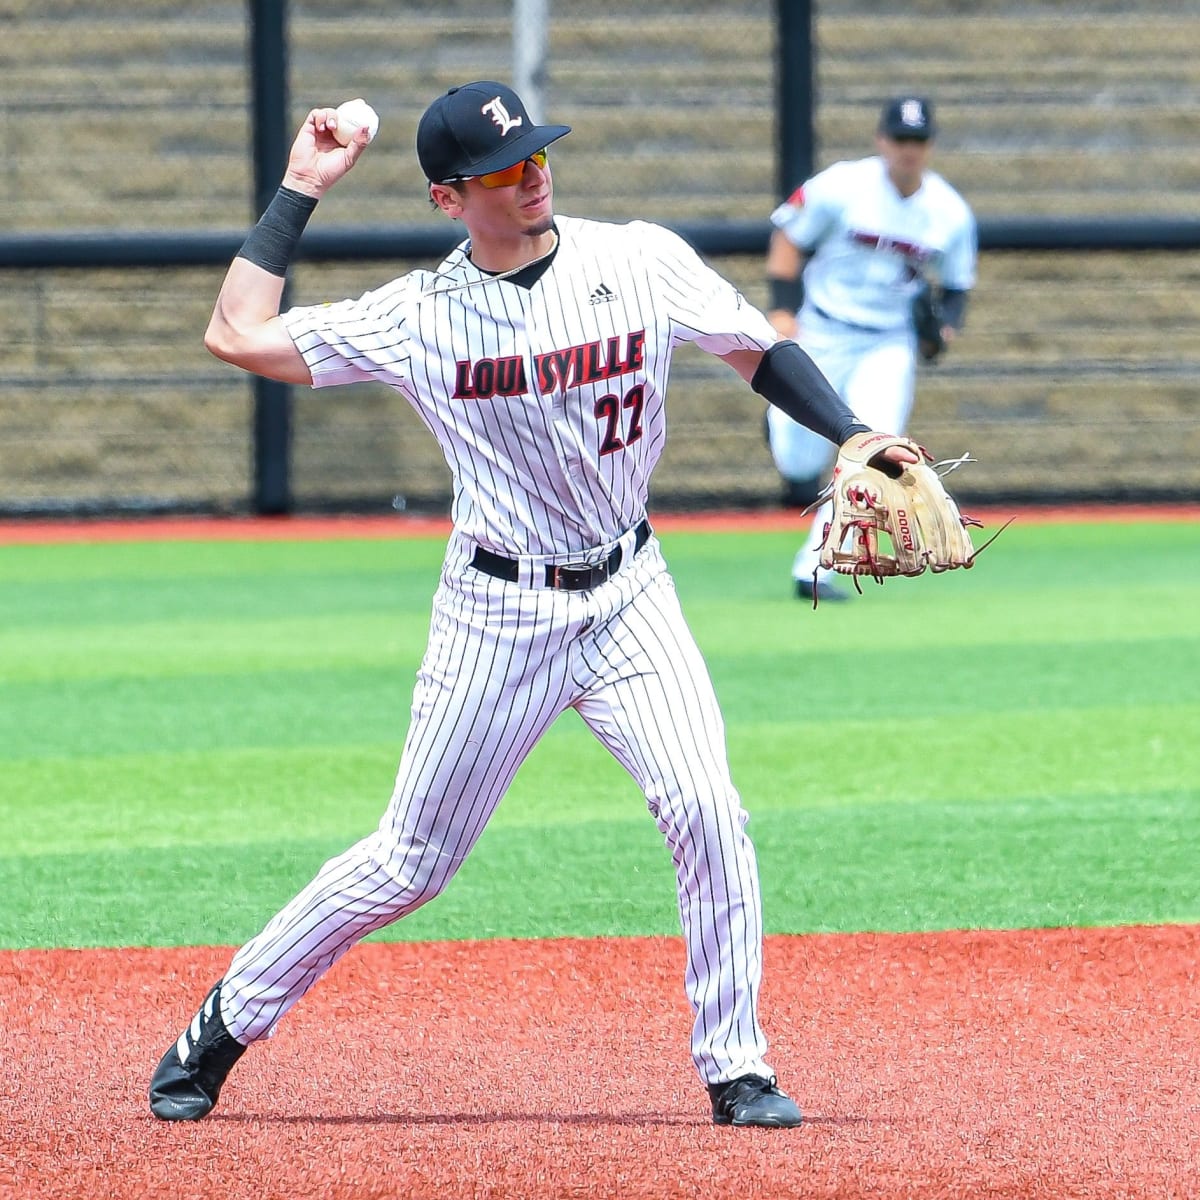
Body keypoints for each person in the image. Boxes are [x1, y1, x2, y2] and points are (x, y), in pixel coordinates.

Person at [147, 80, 917, 1129]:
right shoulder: (418, 315)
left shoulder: (637, 257)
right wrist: (299, 187)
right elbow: (236, 335)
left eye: (540, 153)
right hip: (495, 614)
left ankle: (736, 1066)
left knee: (707, 811)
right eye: (507, 169)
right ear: (449, 197)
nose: (534, 173)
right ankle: (227, 1018)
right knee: (409, 862)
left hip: (630, 593)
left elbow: (754, 349)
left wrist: (855, 434)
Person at [764, 95, 977, 602]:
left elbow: (957, 289)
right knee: (796, 462)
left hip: (887, 343)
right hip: (824, 331)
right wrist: (781, 311)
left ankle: (814, 566)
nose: (908, 150)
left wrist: (942, 329)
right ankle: (780, 426)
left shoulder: (948, 212)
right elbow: (788, 237)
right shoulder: (843, 186)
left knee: (871, 451)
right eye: (900, 139)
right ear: (882, 141)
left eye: (918, 141)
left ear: (929, 146)